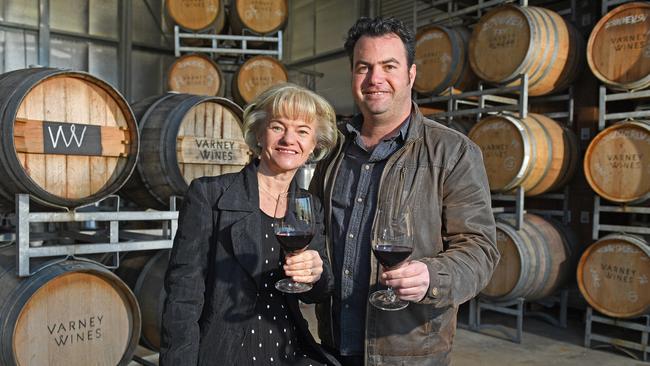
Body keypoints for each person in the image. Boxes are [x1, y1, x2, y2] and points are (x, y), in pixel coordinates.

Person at [309, 17, 500, 365]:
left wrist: (433, 277)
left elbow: (481, 250)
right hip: (334, 346)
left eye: (388, 66)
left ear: (411, 75)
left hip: (409, 353)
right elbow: (316, 232)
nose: (374, 79)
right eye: (363, 67)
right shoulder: (333, 149)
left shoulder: (452, 152)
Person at [160, 83, 340, 366]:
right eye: (278, 127)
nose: (289, 139)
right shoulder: (209, 195)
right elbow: (183, 296)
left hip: (288, 349)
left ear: (314, 145)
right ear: (258, 132)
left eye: (303, 131)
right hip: (225, 351)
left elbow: (320, 291)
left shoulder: (308, 204)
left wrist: (317, 272)